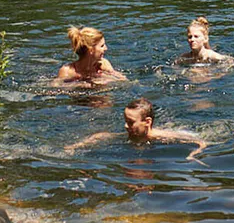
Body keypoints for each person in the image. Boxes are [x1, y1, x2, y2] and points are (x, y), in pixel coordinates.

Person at [66, 98, 207, 160]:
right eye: (125, 121)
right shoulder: (130, 135)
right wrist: (76, 146)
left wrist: (193, 154)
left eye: (131, 122)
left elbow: (200, 142)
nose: (125, 126)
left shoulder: (162, 136)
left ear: (147, 122)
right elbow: (100, 136)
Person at [55, 25, 126, 85]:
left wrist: (107, 79)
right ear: (91, 50)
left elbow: (123, 80)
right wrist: (80, 85)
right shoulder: (67, 71)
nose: (106, 48)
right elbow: (55, 87)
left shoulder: (104, 64)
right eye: (102, 46)